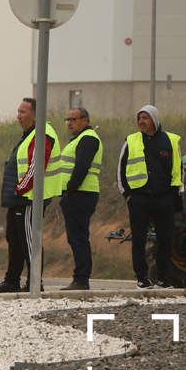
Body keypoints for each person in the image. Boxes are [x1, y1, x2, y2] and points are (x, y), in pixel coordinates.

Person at [0, 97, 63, 293]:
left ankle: (34, 282)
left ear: (35, 115)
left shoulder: (43, 134)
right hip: (19, 198)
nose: (18, 116)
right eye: (18, 112)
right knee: (14, 239)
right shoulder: (29, 134)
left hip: (30, 198)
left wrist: (20, 188)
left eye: (23, 112)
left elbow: (36, 166)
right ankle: (11, 280)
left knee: (29, 239)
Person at [117, 105, 183, 289]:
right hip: (139, 199)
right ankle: (142, 278)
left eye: (145, 118)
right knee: (139, 240)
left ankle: (163, 279)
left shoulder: (171, 140)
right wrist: (127, 195)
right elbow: (120, 170)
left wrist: (174, 195)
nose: (141, 122)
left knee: (166, 240)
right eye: (139, 118)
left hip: (164, 198)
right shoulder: (131, 141)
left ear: (154, 119)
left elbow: (179, 170)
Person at [58, 107, 102, 290]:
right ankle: (80, 277)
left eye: (73, 119)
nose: (69, 123)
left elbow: (81, 167)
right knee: (77, 237)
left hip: (81, 194)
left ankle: (81, 279)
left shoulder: (88, 138)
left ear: (85, 120)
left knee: (78, 238)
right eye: (67, 119)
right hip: (78, 193)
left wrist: (69, 190)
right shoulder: (79, 139)